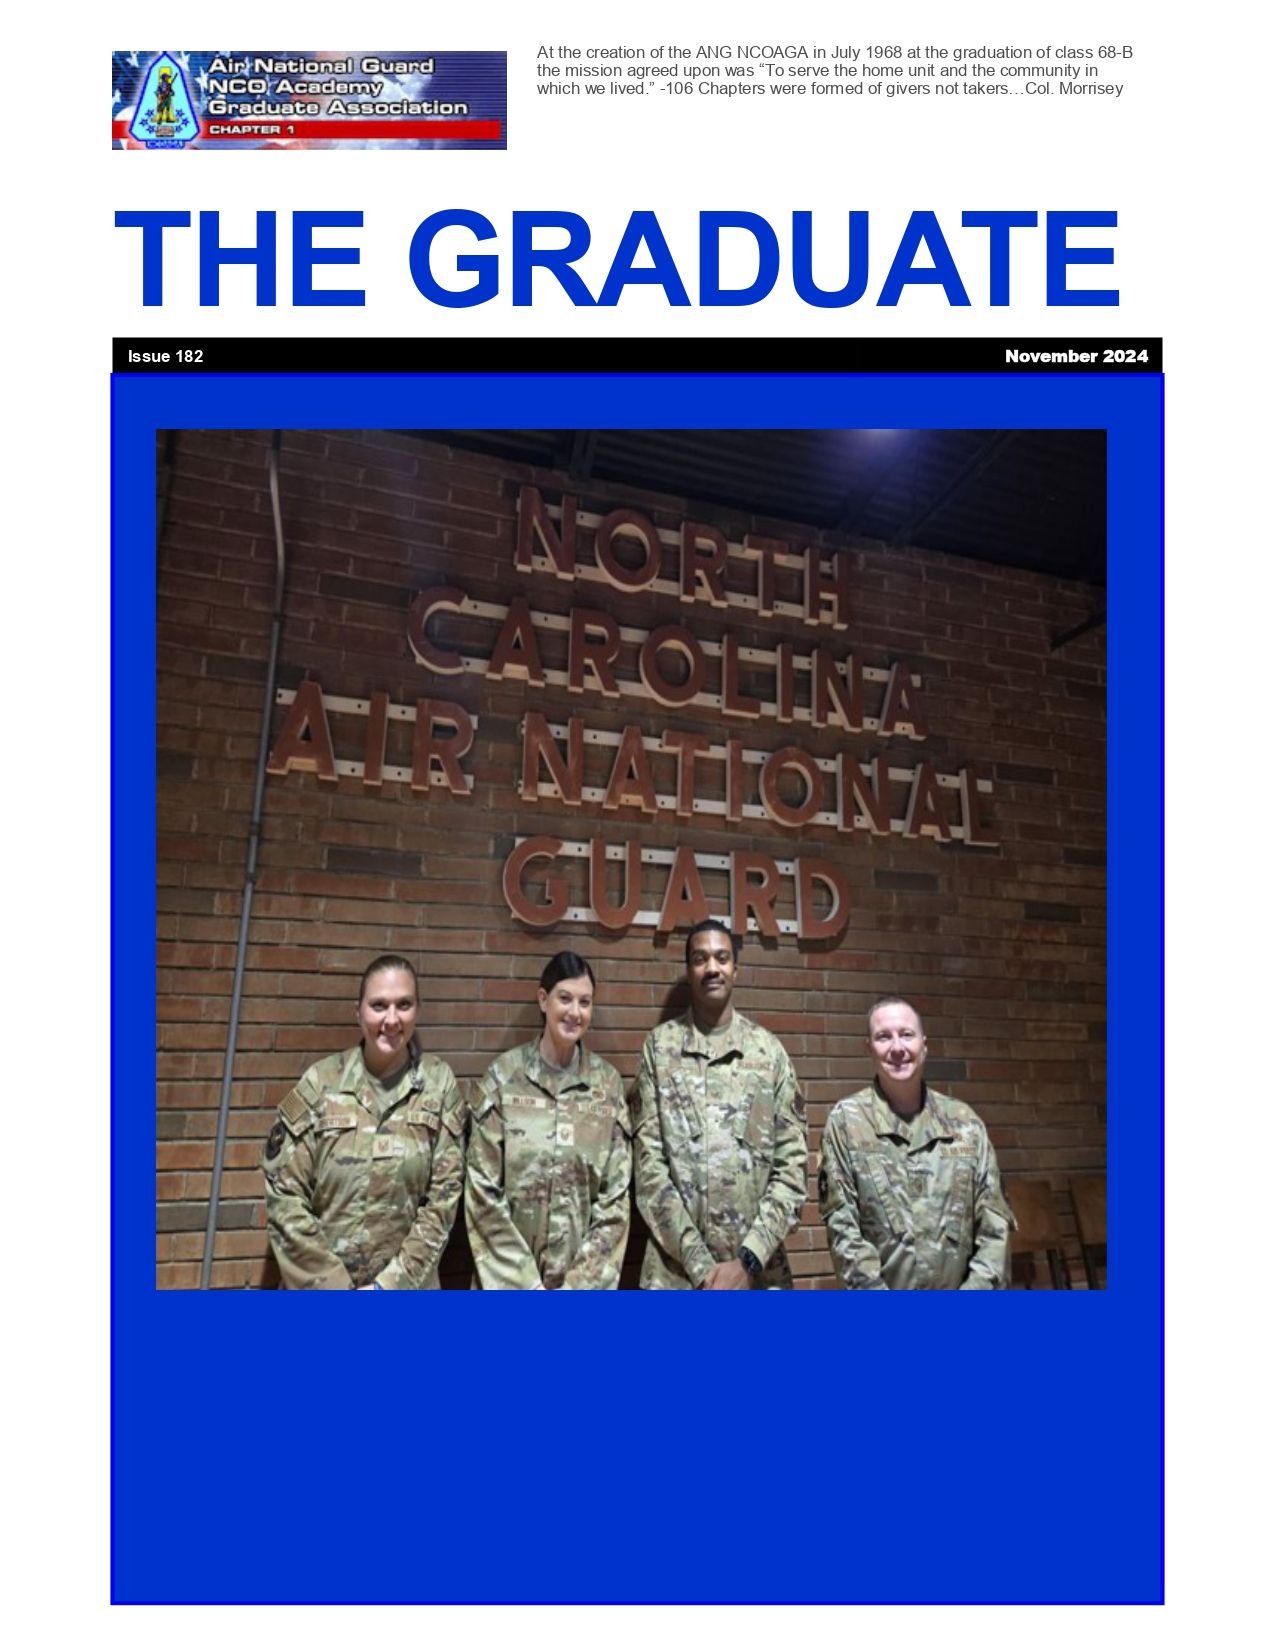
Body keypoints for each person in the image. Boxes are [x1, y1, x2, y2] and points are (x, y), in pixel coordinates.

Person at [260, 954, 465, 1289]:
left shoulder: (439, 1086)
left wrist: (389, 1287)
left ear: (418, 1010)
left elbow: (443, 1200)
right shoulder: (320, 1083)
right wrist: (332, 1287)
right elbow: (284, 1194)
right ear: (359, 1013)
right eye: (379, 1005)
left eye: (404, 1004)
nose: (392, 1019)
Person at [634, 918, 807, 1289]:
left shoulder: (769, 1054)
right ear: (689, 969)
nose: (712, 967)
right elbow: (649, 1171)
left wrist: (747, 1261)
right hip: (675, 1277)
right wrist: (702, 1268)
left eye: (721, 957)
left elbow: (792, 1170)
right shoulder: (660, 1049)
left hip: (759, 1278)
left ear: (735, 969)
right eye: (700, 958)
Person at [818, 996, 1015, 1289]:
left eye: (906, 1034)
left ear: (924, 1044)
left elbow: (994, 1226)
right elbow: (844, 1232)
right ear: (869, 1048)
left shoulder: (965, 1123)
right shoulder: (846, 1124)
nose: (897, 1048)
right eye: (883, 1037)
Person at [465, 951, 631, 1289]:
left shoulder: (608, 1086)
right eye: (565, 998)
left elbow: (615, 1200)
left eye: (585, 1002)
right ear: (543, 1000)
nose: (575, 1012)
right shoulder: (502, 1079)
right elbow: (482, 1193)